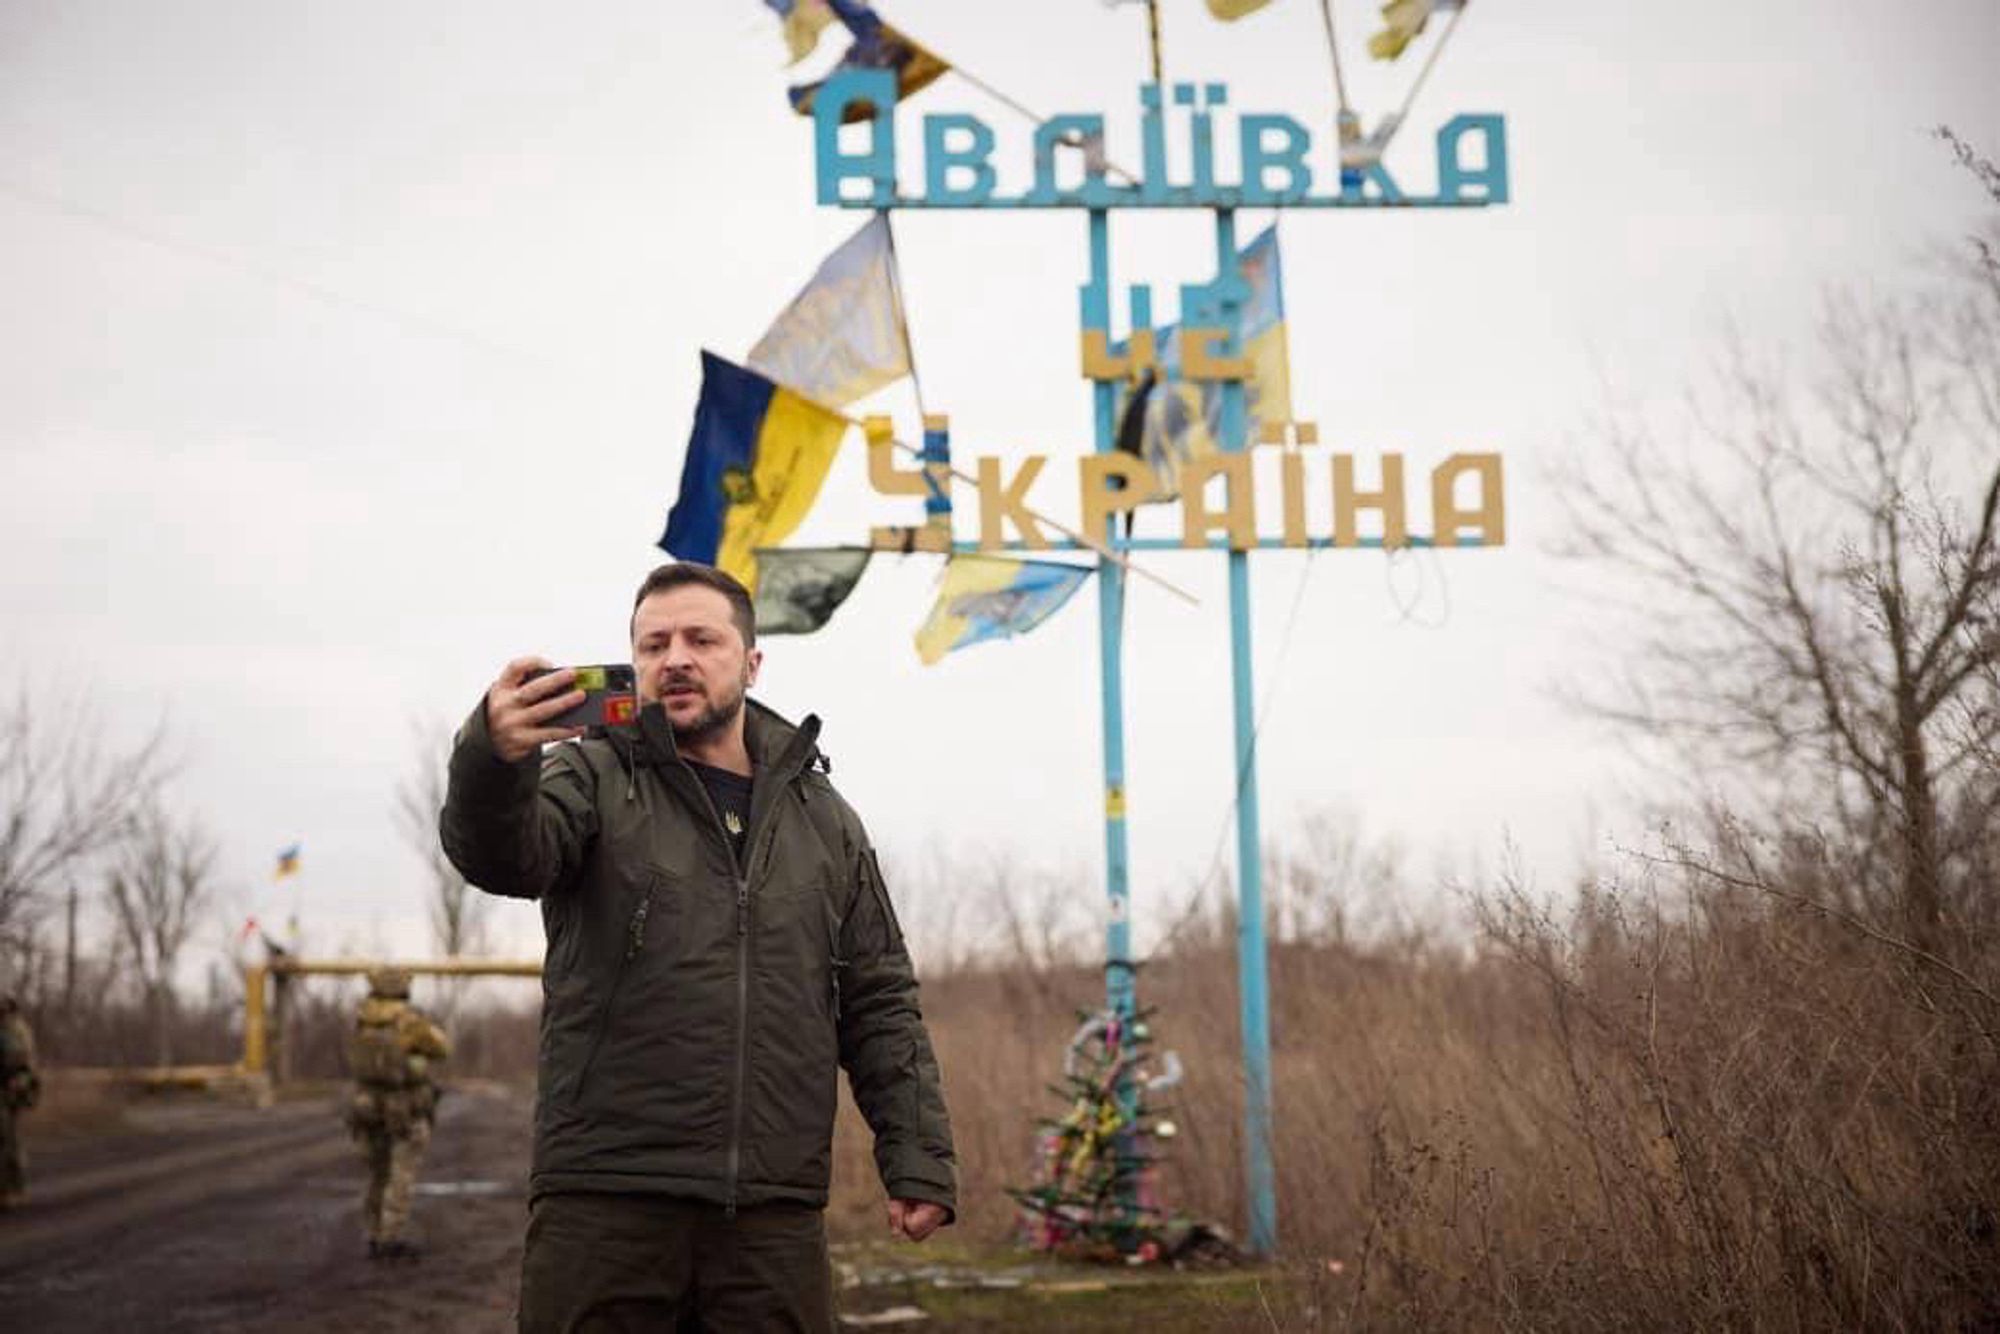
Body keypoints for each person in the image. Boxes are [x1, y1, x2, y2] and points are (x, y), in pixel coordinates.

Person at [441, 561, 955, 1333]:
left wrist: (915, 1153)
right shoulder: (591, 775)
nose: (673, 657)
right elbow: (504, 858)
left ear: (750, 662)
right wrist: (492, 758)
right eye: (652, 644)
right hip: (606, 1206)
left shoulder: (824, 820)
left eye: (699, 639)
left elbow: (880, 996)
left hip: (772, 1219)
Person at [344, 966, 450, 1259]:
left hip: (365, 1108)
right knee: (400, 1174)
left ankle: (373, 1233)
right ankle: (390, 1237)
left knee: (376, 1175)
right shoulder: (409, 1021)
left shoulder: (361, 1019)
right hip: (404, 1109)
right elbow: (443, 1048)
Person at [0, 995, 37, 1210]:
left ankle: (10, 1190)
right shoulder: (13, 1028)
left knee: (7, 1140)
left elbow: (16, 1060)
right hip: (12, 1087)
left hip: (10, 1088)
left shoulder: (13, 1029)